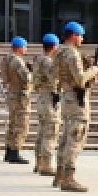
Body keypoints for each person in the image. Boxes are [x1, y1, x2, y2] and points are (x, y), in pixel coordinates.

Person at [53, 21, 98, 193]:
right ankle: (68, 177)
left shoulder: (58, 52)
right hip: (75, 98)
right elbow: (80, 79)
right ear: (73, 36)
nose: (82, 39)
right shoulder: (72, 54)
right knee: (75, 137)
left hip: (66, 96)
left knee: (66, 137)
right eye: (80, 35)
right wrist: (93, 71)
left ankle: (59, 173)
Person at [31, 33, 61, 177]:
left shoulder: (38, 59)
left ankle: (38, 162)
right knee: (50, 132)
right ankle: (46, 165)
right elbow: (54, 78)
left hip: (42, 97)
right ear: (54, 46)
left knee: (42, 132)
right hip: (49, 97)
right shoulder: (48, 61)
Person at [0, 36, 32, 165]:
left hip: (12, 93)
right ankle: (15, 151)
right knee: (21, 124)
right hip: (19, 95)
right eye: (25, 47)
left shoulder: (6, 59)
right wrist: (32, 72)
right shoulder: (17, 61)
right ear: (19, 48)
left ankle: (9, 150)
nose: (26, 50)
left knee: (12, 123)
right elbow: (27, 78)